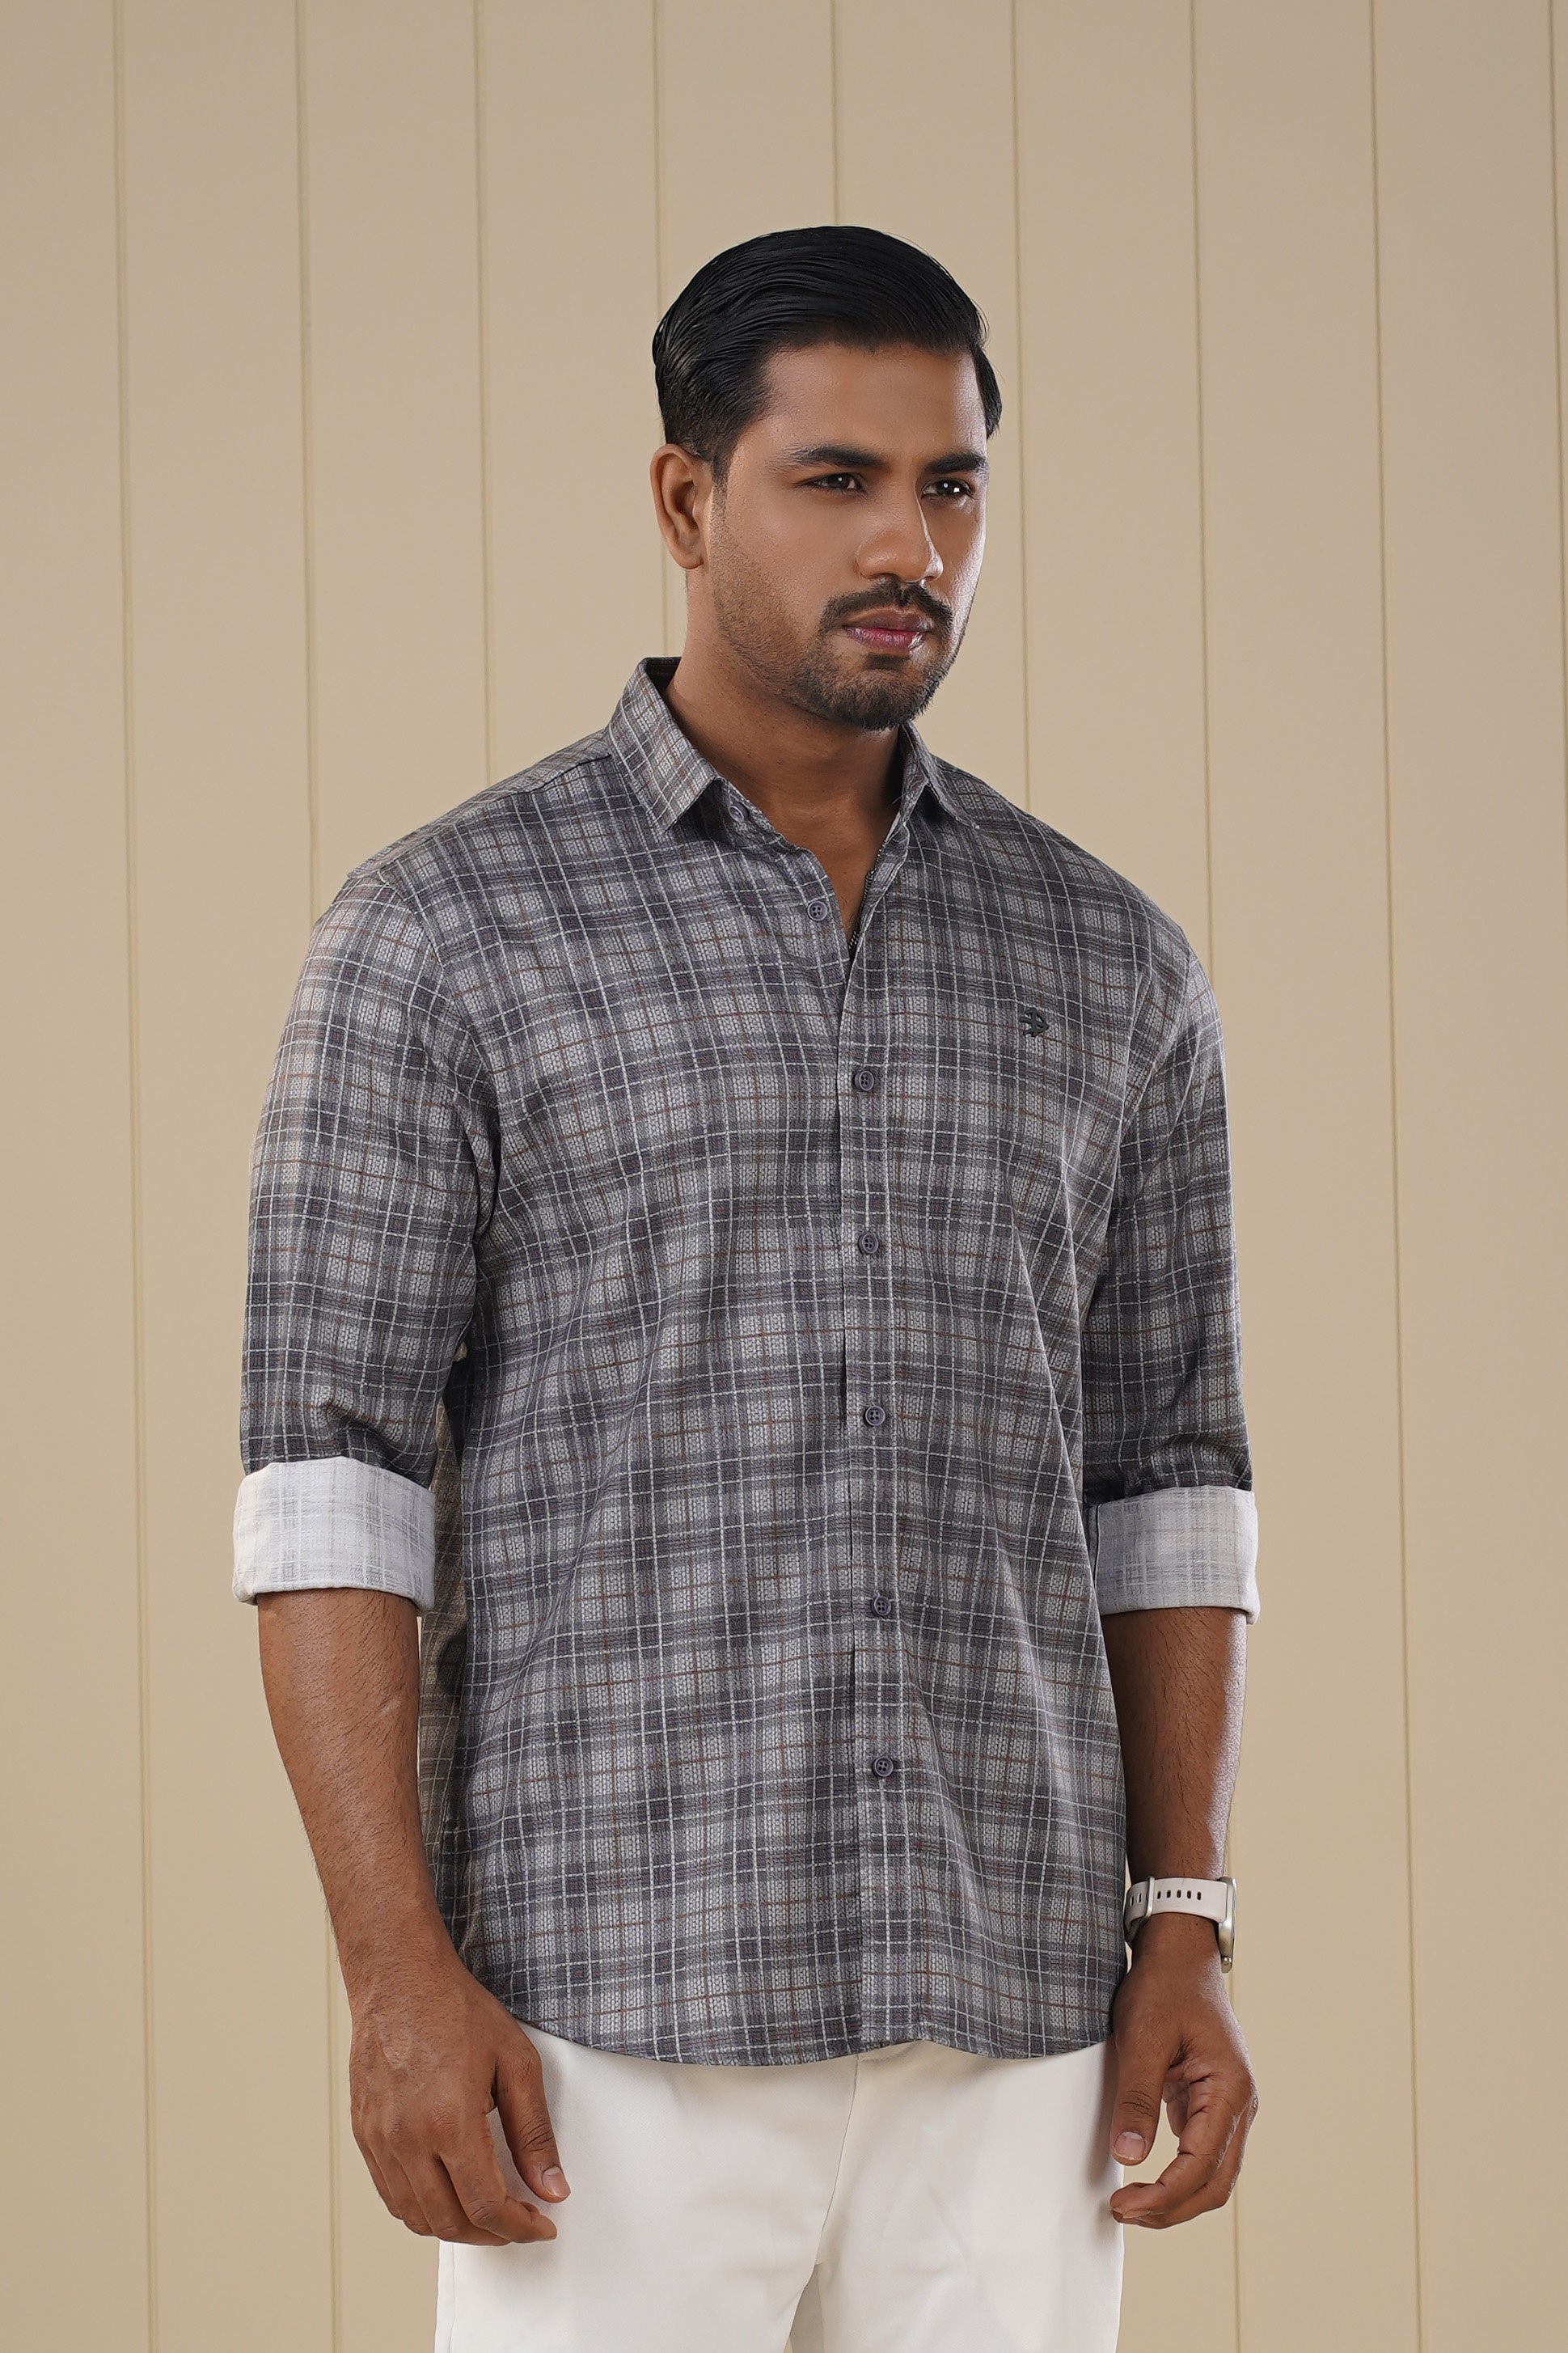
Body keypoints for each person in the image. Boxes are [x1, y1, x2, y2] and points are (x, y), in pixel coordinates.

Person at [234, 223, 1260, 2353]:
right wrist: (391, 1974)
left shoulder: (1110, 963)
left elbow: (1169, 1484)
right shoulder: (447, 932)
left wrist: (1184, 1921)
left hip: (1017, 2022)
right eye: (836, 480)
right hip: (606, 2016)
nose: (909, 545)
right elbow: (331, 1488)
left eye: (951, 485)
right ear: (687, 500)